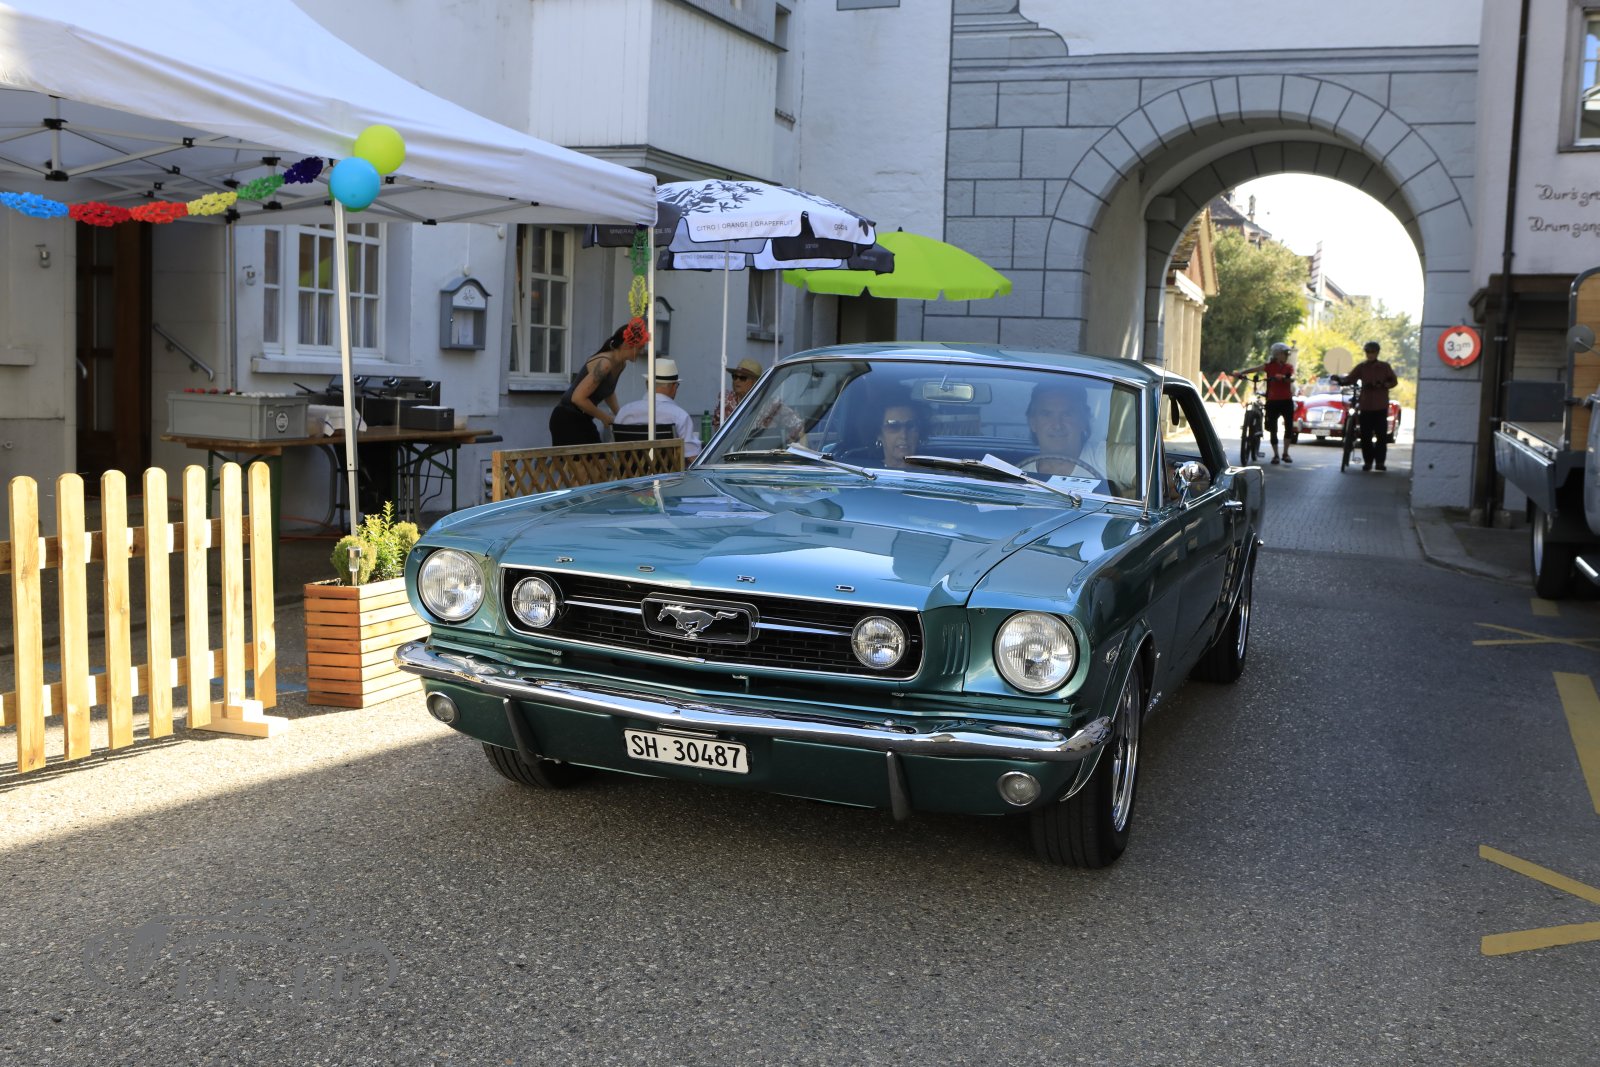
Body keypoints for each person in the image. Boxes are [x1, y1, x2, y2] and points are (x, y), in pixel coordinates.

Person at [548, 324, 646, 446]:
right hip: (566, 418)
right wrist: (604, 417)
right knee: (590, 457)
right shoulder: (605, 364)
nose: (642, 352)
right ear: (626, 344)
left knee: (599, 456)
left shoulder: (621, 364)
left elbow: (608, 391)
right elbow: (578, 398)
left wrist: (620, 415)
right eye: (640, 348)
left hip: (583, 418)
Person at [612, 358, 702, 459]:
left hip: (630, 469)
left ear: (647, 384)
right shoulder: (680, 416)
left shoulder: (624, 412)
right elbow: (692, 457)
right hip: (667, 469)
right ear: (674, 387)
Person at [1331, 340, 1400, 472]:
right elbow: (1350, 378)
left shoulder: (1384, 367)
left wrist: (1384, 384)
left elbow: (1394, 381)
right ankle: (1368, 462)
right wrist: (1340, 380)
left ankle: (1380, 462)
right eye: (1367, 352)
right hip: (1366, 405)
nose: (1370, 354)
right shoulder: (1362, 367)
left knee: (1381, 436)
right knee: (1365, 436)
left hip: (1380, 405)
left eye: (1372, 352)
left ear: (1377, 353)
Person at [1229, 341, 1296, 465]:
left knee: (1289, 427)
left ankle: (1285, 453)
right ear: (1277, 354)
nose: (1286, 356)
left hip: (1286, 400)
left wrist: (1284, 378)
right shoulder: (1269, 366)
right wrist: (1241, 373)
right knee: (1273, 428)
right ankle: (1276, 455)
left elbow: (1292, 378)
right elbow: (1254, 369)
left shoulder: (1288, 367)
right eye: (1285, 354)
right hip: (1272, 401)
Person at [713, 357, 763, 430]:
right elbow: (717, 427)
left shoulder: (766, 401)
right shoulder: (726, 400)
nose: (737, 380)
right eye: (735, 376)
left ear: (755, 382)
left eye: (743, 378)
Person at [875, 398, 924, 469]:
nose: (903, 435)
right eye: (893, 426)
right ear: (879, 433)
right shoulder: (867, 472)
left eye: (910, 426)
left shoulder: (932, 473)